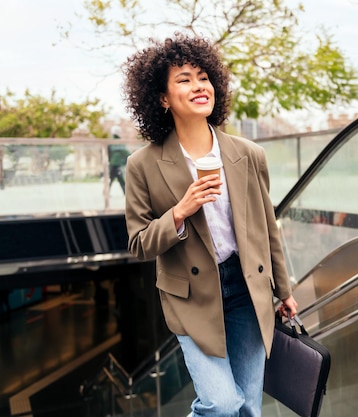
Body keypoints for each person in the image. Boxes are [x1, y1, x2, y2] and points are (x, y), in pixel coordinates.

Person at [122, 33, 298, 417]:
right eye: (184, 79)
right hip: (191, 296)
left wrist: (283, 289)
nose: (199, 86)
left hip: (247, 288)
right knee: (221, 404)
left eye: (203, 77)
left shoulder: (248, 154)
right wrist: (180, 212)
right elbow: (137, 244)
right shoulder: (143, 165)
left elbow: (268, 228)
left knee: (249, 408)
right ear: (163, 98)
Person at [107, 125, 130, 194]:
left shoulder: (110, 142)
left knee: (112, 179)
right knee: (119, 179)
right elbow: (126, 153)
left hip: (112, 164)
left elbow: (108, 153)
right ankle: (126, 192)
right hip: (117, 164)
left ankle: (106, 192)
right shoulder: (120, 142)